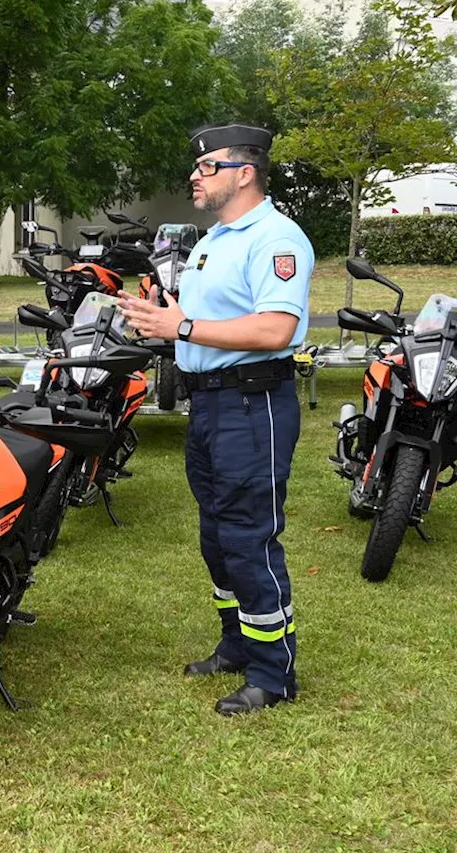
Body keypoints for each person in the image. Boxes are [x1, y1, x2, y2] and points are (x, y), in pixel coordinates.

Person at [119, 123, 312, 716]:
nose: (196, 177)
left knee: (249, 535)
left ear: (245, 173)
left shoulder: (276, 238)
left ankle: (273, 673)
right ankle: (236, 643)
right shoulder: (213, 240)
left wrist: (179, 328)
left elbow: (275, 329)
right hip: (210, 404)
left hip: (252, 406)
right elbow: (202, 319)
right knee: (216, 535)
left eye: (208, 168)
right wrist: (162, 316)